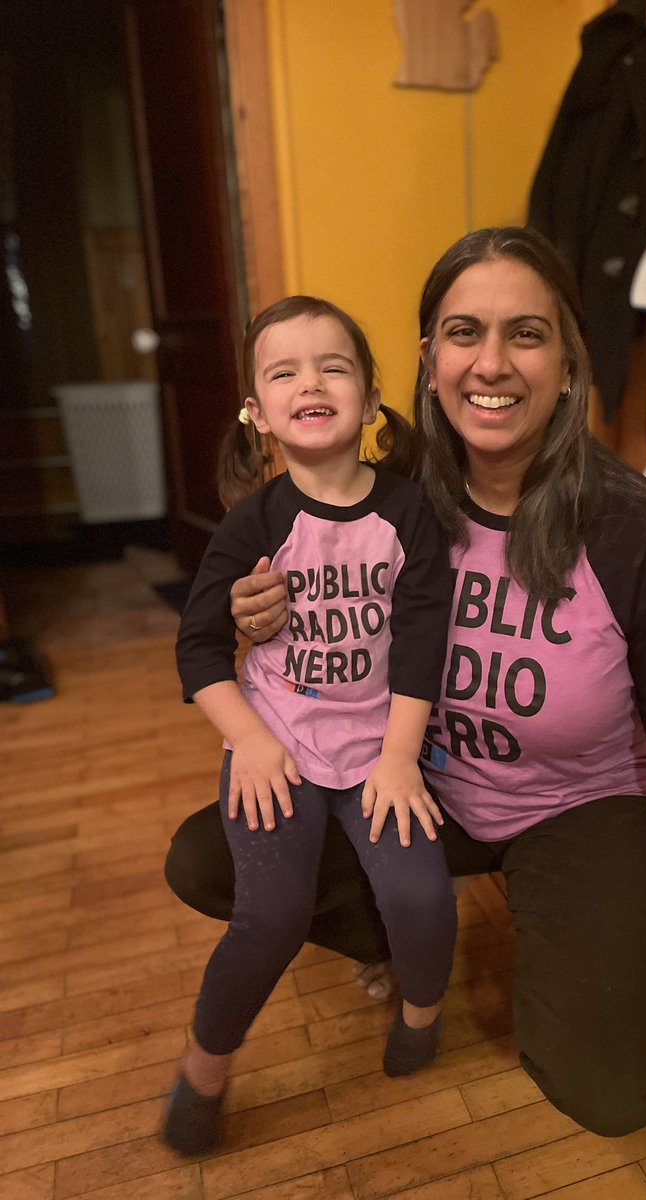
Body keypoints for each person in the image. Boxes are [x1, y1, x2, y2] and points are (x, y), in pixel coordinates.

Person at [165, 229, 646, 1199]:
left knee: (614, 1094)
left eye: (525, 334)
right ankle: (396, 931)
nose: (491, 363)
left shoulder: (639, 536)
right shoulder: (389, 497)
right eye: (464, 332)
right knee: (212, 857)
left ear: (569, 361)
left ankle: (531, 930)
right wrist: (261, 614)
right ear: (428, 359)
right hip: (418, 783)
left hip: (578, 805)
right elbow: (299, 601)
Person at [163, 296, 457, 1156]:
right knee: (271, 917)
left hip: (380, 750)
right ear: (258, 413)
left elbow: (422, 644)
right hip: (277, 749)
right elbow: (197, 650)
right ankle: (203, 1071)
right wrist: (252, 740)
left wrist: (399, 757)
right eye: (284, 372)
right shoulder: (253, 523)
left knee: (421, 896)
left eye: (334, 367)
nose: (311, 383)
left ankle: (422, 1018)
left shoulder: (408, 514)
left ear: (371, 399)